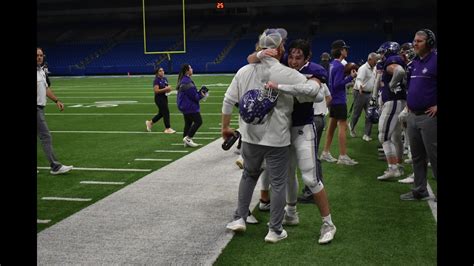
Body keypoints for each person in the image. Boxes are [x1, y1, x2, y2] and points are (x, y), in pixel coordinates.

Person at [222, 30, 322, 243]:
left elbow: (228, 100)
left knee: (248, 176)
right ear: (280, 49)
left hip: (250, 137)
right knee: (278, 184)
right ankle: (274, 230)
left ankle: (239, 218)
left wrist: (225, 128)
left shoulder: (243, 70)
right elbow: (317, 94)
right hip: (277, 138)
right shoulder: (287, 72)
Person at [400, 29, 437, 200]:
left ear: (429, 43)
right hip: (413, 115)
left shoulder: (436, 60)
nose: (415, 43)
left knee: (434, 155)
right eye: (414, 40)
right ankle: (420, 190)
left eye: (419, 41)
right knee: (417, 157)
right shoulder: (414, 63)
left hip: (429, 117)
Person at [320, 40, 358, 165]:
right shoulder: (340, 66)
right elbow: (337, 84)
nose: (346, 51)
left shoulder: (332, 64)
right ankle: (342, 155)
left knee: (331, 128)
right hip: (339, 100)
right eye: (345, 49)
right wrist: (350, 77)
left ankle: (325, 153)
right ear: (341, 50)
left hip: (333, 100)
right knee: (342, 127)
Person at [373, 41, 407, 181]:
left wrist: (391, 85)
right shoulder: (394, 59)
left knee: (384, 136)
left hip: (392, 101)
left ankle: (393, 168)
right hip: (399, 100)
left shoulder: (392, 60)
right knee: (396, 137)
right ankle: (398, 165)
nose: (381, 54)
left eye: (382, 52)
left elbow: (399, 71)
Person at [37, 47, 73, 175]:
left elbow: (46, 89)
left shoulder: (41, 71)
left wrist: (57, 101)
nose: (39, 57)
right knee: (46, 136)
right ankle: (55, 166)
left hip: (40, 108)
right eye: (37, 55)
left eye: (41, 55)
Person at [348, 52, 378, 141]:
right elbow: (359, 79)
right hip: (359, 93)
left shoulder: (375, 68)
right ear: (369, 59)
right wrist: (360, 85)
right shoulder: (363, 68)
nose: (376, 62)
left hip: (369, 93)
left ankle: (366, 135)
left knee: (370, 114)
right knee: (357, 114)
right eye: (375, 60)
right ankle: (352, 127)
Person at [176, 64, 206, 147]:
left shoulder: (184, 80)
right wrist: (202, 94)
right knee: (198, 121)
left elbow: (192, 94)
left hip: (184, 105)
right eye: (190, 68)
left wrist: (199, 93)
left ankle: (185, 141)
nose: (192, 69)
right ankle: (188, 138)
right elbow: (195, 97)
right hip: (189, 106)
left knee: (188, 123)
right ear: (187, 71)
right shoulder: (187, 82)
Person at [145, 67, 176, 134]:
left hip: (164, 98)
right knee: (166, 112)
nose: (162, 72)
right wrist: (166, 89)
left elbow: (166, 88)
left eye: (162, 70)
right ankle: (167, 128)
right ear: (157, 73)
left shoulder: (165, 79)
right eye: (160, 71)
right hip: (159, 99)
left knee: (161, 113)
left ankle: (150, 123)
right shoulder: (156, 80)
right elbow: (156, 91)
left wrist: (169, 89)